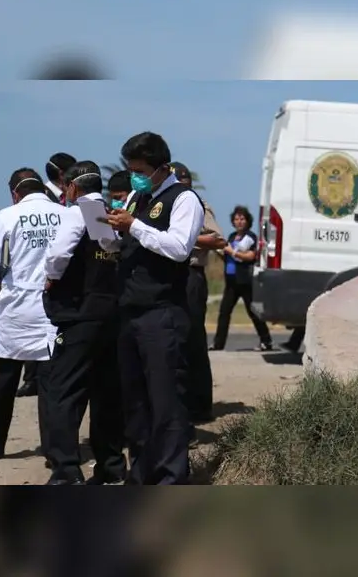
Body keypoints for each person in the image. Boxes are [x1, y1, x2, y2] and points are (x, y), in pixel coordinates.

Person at [102, 131, 204, 485]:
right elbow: (126, 243)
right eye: (131, 169)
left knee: (166, 403)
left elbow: (178, 248)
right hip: (130, 310)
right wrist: (113, 231)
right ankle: (141, 473)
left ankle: (171, 476)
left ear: (163, 167)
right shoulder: (136, 197)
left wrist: (135, 226)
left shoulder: (184, 199)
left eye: (141, 169)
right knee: (136, 404)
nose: (135, 176)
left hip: (162, 313)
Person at [0, 168, 68, 459]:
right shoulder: (64, 214)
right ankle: (56, 450)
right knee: (52, 380)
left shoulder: (6, 216)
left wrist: (0, 279)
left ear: (15, 193)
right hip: (55, 303)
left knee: (5, 374)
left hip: (18, 304)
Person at [41, 160, 127, 485]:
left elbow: (58, 254)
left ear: (72, 187)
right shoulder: (111, 216)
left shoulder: (76, 213)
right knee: (106, 394)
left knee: (62, 393)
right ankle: (111, 467)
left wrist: (50, 278)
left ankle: (66, 471)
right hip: (110, 315)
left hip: (80, 315)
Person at [170, 161, 225, 424]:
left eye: (184, 181)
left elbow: (218, 240)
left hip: (191, 274)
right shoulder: (165, 205)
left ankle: (200, 406)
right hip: (170, 276)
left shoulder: (199, 206)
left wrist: (182, 240)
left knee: (193, 339)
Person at [210, 206, 274, 352]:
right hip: (231, 282)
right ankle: (218, 344)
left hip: (244, 281)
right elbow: (228, 255)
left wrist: (231, 251)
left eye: (242, 219)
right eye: (236, 219)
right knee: (224, 312)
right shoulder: (232, 237)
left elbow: (249, 256)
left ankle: (266, 341)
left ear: (247, 221)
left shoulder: (250, 237)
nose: (239, 222)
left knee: (253, 312)